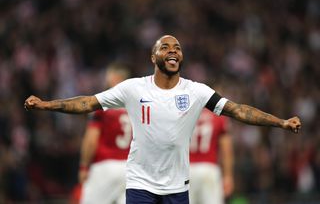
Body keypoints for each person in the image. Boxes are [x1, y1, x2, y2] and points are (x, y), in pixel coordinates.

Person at [25, 35, 301, 204]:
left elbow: (239, 110)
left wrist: (280, 122)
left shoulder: (196, 91)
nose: (173, 50)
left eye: (177, 47)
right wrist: (46, 105)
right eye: (165, 46)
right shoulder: (133, 88)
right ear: (153, 56)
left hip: (178, 185)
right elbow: (87, 103)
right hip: (139, 183)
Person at [79, 63, 132, 204]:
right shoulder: (136, 106)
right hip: (131, 170)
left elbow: (91, 139)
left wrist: (84, 166)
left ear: (116, 78)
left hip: (105, 166)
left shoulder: (103, 104)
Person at [189, 108, 234, 204]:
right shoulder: (219, 114)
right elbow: (226, 149)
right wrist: (228, 176)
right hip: (209, 169)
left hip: (187, 170)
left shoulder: (187, 111)